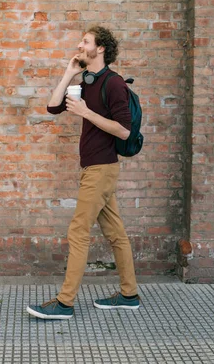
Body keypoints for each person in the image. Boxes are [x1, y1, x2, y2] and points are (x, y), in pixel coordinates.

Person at [26, 26, 140, 320]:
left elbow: (125, 131)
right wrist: (69, 72)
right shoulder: (87, 81)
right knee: (116, 234)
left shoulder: (114, 84)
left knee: (78, 232)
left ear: (100, 49)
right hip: (95, 168)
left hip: (101, 169)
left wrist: (86, 112)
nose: (79, 44)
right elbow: (52, 107)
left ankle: (64, 303)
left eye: (85, 42)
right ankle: (129, 295)